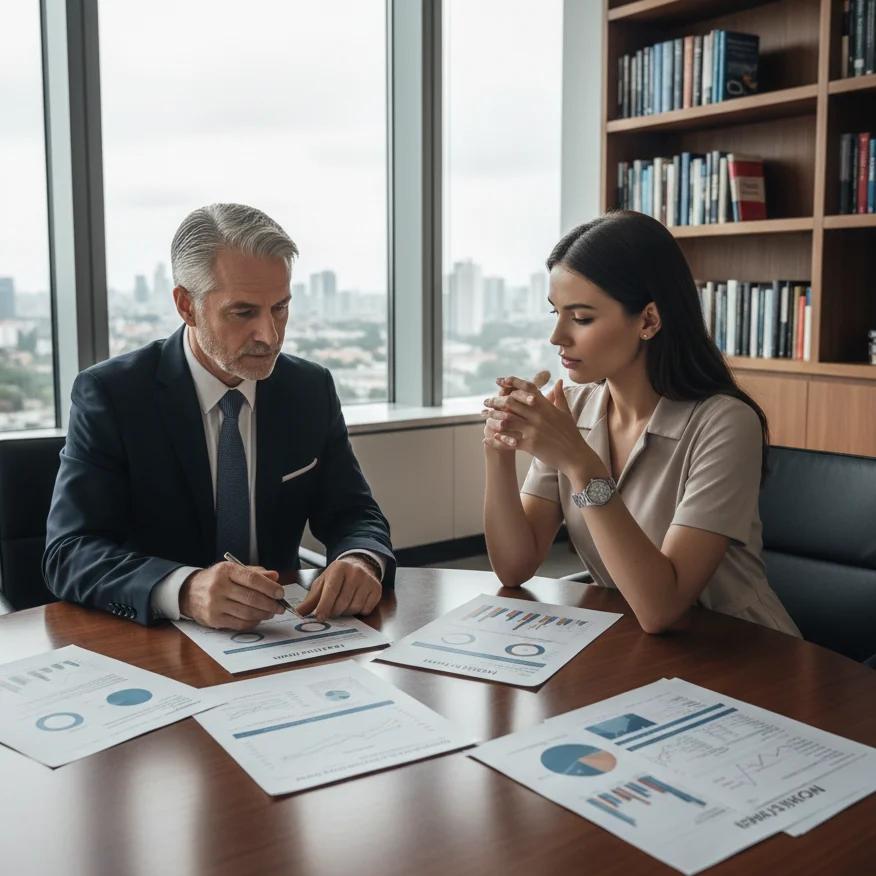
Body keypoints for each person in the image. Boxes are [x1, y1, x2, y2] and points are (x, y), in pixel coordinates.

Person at [44, 203, 395, 629]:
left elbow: (352, 511)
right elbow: (69, 551)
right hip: (155, 646)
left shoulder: (309, 388)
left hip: (279, 636)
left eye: (280, 308)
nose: (269, 335)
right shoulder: (113, 395)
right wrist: (184, 589)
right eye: (243, 312)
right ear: (186, 306)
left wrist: (362, 560)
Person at [481, 211, 799, 636]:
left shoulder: (725, 424)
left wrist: (580, 464)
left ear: (648, 319)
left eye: (581, 317)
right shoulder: (571, 412)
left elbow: (661, 607)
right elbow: (513, 567)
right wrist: (498, 452)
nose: (557, 336)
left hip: (743, 652)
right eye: (556, 313)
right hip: (636, 651)